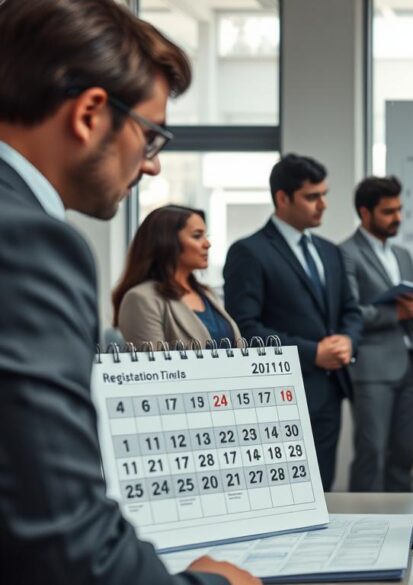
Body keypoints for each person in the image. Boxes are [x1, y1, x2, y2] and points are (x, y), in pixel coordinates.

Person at [0, 1, 257, 583]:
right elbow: (61, 535)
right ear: (91, 113)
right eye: (151, 137)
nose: (152, 168)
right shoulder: (28, 241)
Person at [223, 153, 362, 492]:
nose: (323, 205)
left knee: (323, 487)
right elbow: (245, 328)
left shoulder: (331, 252)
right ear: (282, 198)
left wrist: (347, 340)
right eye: (312, 197)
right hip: (279, 393)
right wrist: (311, 352)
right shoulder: (250, 252)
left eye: (324, 194)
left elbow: (351, 311)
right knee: (284, 492)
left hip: (330, 388)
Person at [339, 176, 413, 492]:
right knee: (372, 452)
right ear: (365, 213)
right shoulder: (346, 253)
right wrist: (397, 313)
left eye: (399, 209)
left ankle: (403, 524)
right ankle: (361, 528)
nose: (397, 218)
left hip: (411, 363)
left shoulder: (402, 254)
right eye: (388, 211)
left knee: (405, 453)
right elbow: (349, 311)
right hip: (372, 368)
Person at [113, 204, 241, 347]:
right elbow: (155, 367)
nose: (207, 244)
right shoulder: (141, 298)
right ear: (166, 241)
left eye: (206, 236)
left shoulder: (207, 294)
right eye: (197, 236)